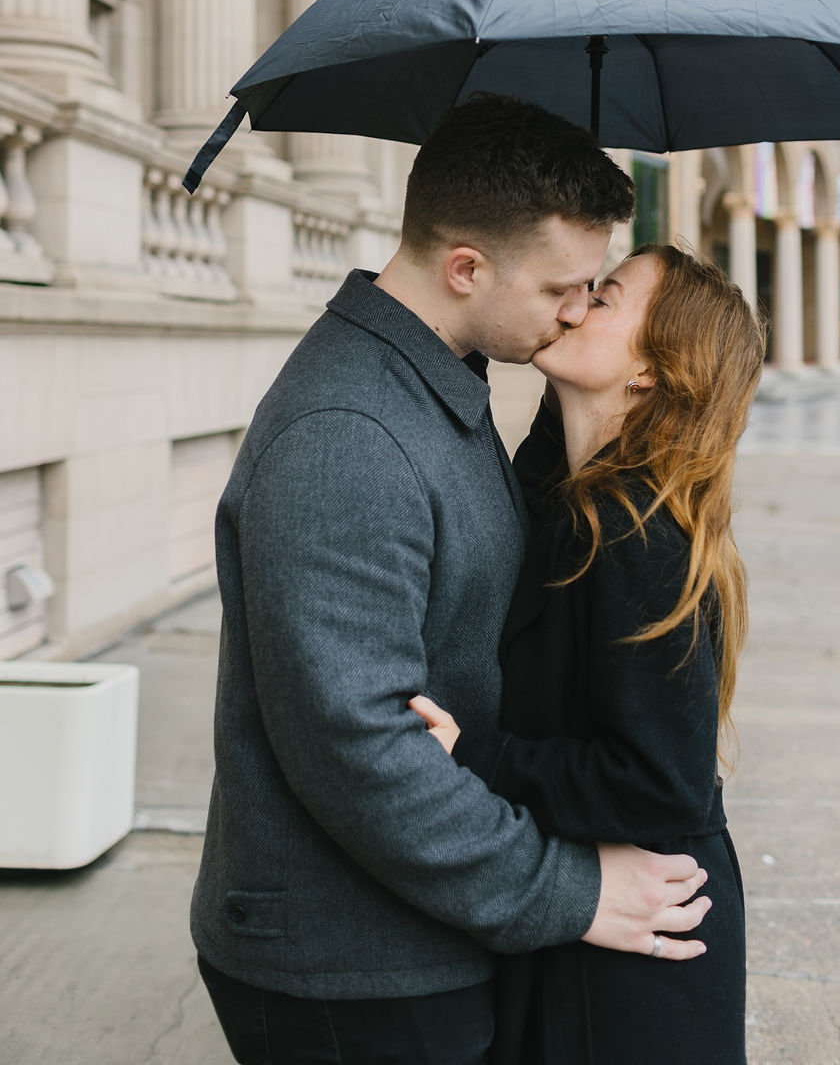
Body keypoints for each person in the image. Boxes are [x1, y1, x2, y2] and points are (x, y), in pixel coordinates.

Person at [192, 98, 712, 1065]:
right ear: (466, 267)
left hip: (418, 931)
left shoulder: (440, 383)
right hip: (349, 964)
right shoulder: (349, 432)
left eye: (595, 289)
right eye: (564, 286)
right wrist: (569, 889)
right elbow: (359, 748)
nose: (575, 309)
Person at [411, 242, 766, 1063]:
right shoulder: (567, 489)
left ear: (650, 369)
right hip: (588, 922)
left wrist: (474, 753)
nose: (573, 305)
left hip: (644, 958)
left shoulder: (637, 533)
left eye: (603, 299)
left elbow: (661, 783)